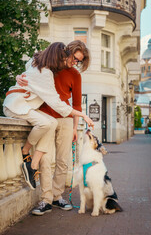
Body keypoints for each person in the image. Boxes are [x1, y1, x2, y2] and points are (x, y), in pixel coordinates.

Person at [3, 42, 94, 191]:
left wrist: (74, 127)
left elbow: (76, 103)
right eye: (74, 58)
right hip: (35, 108)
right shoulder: (48, 68)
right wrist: (19, 77)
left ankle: (38, 174)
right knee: (46, 157)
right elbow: (53, 99)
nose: (75, 62)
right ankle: (43, 193)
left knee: (62, 160)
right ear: (66, 52)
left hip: (59, 116)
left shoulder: (72, 74)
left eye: (79, 61)